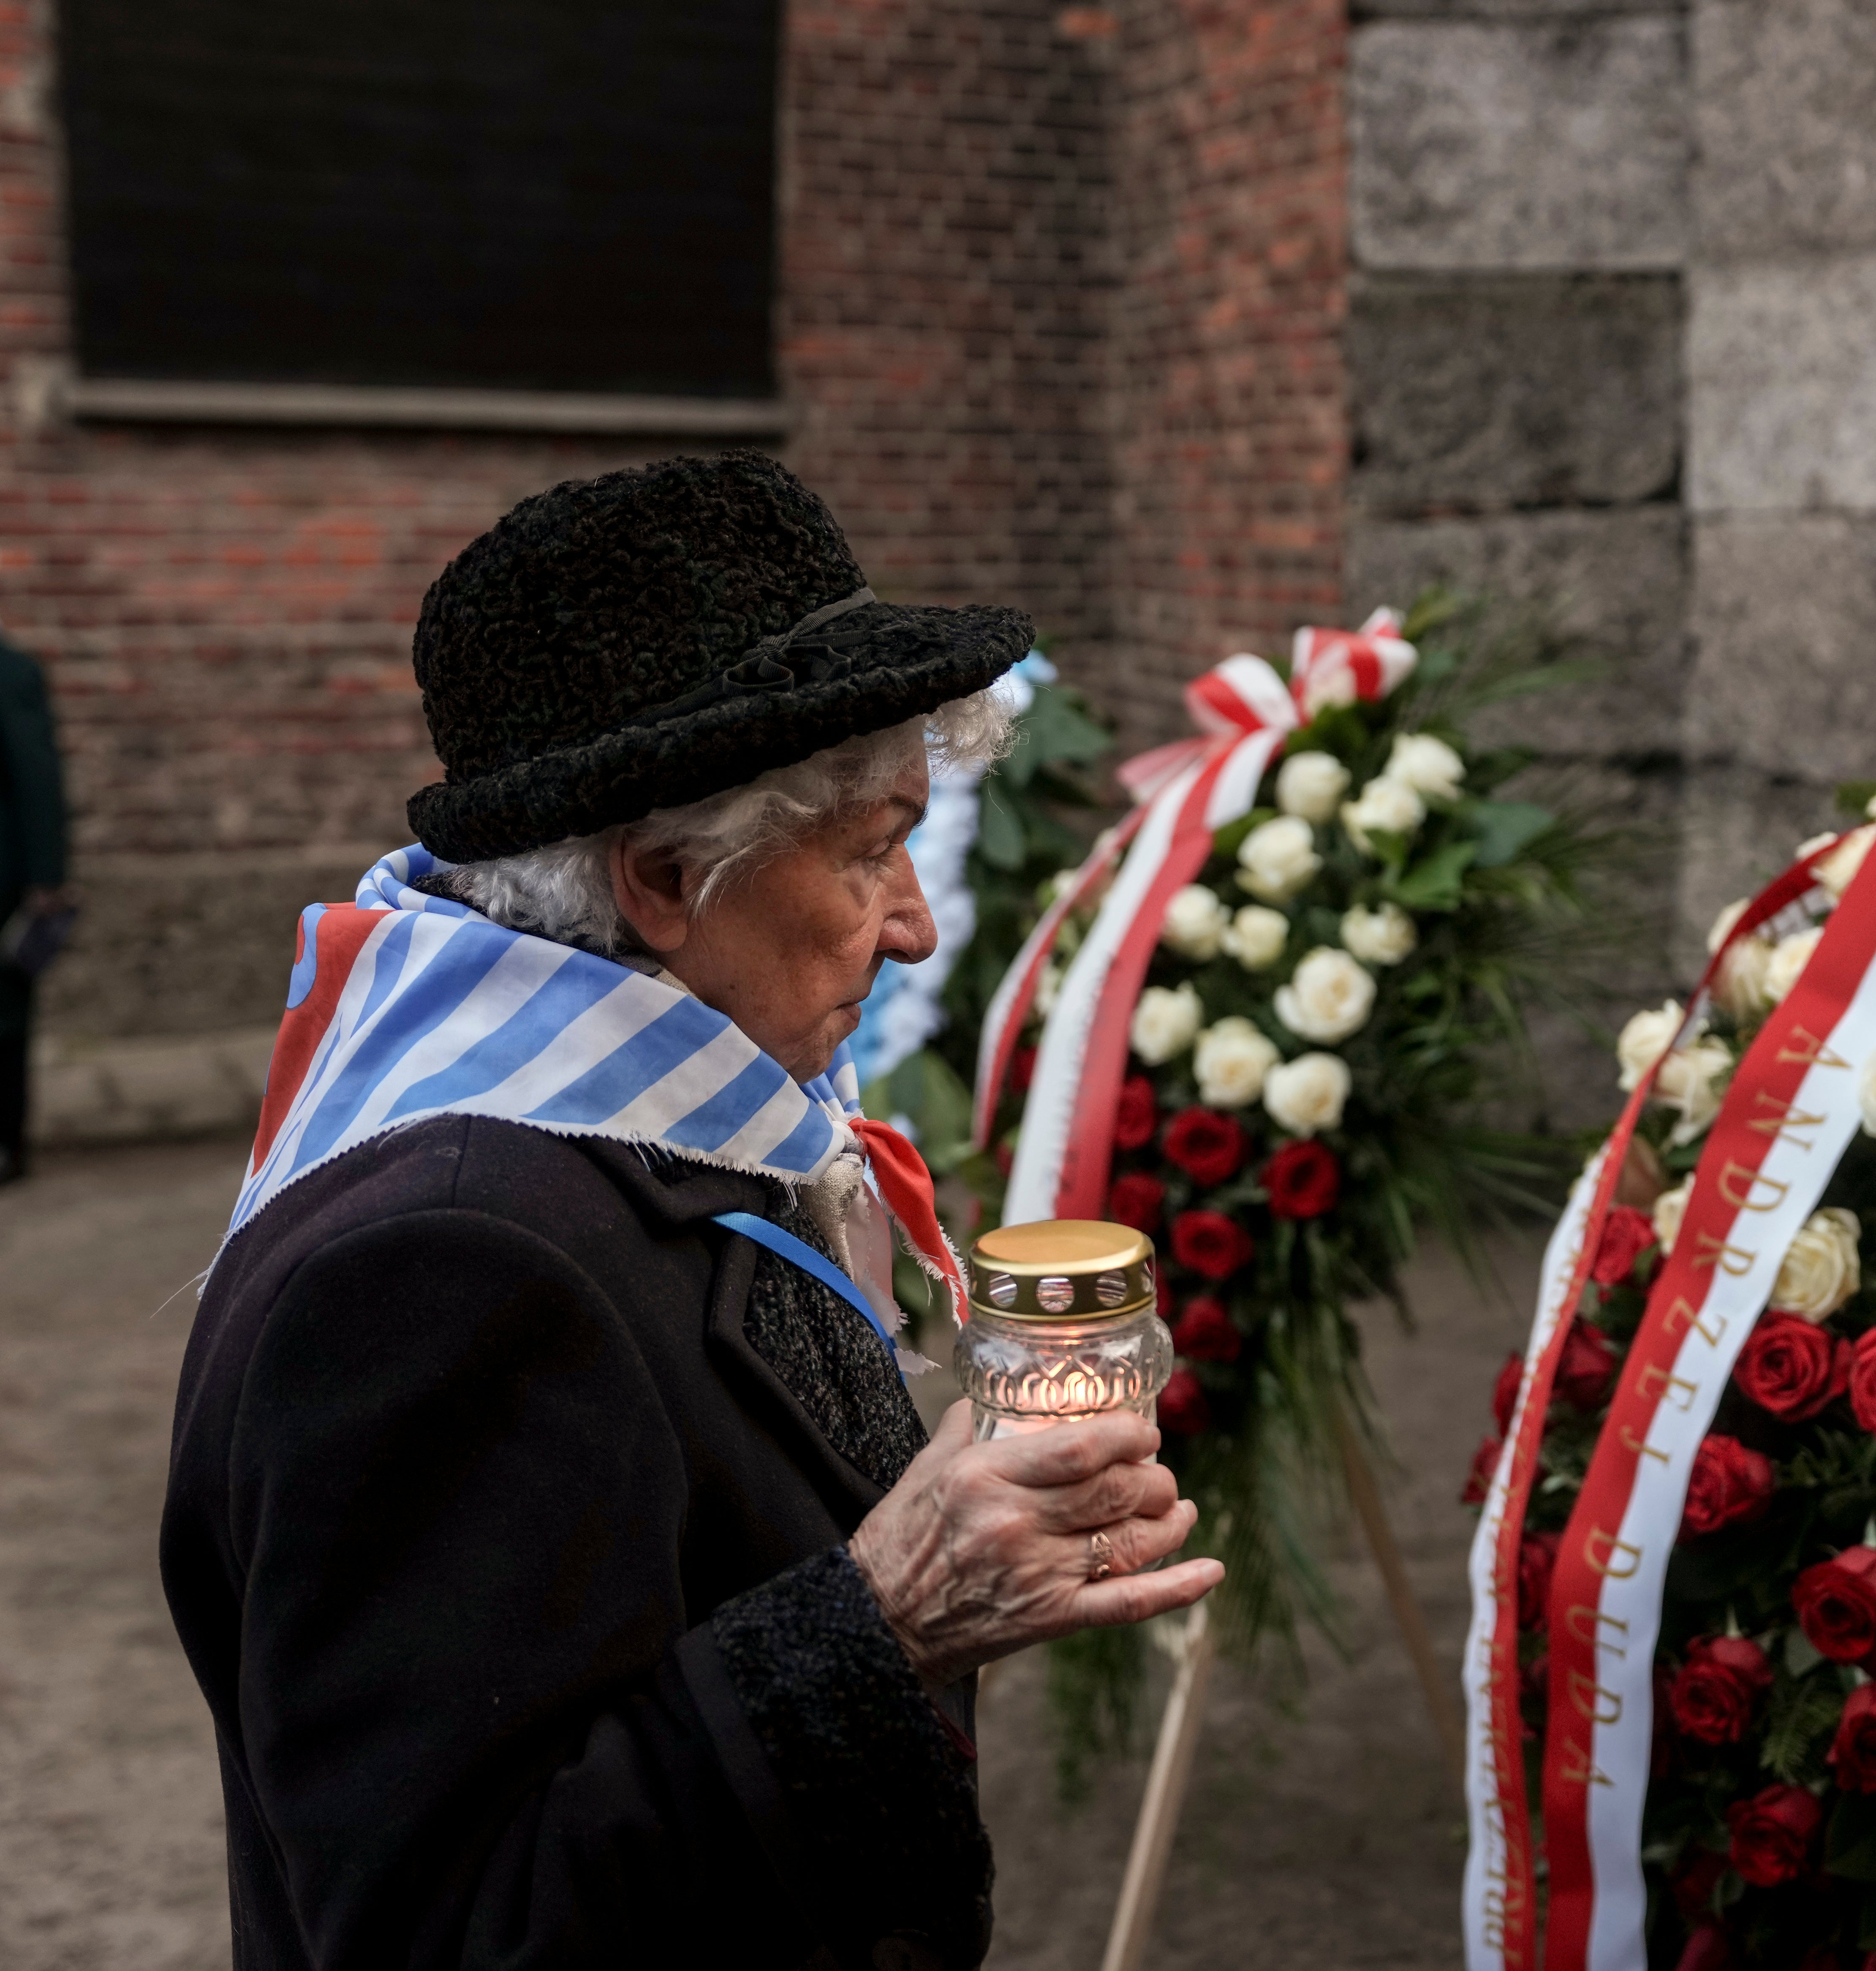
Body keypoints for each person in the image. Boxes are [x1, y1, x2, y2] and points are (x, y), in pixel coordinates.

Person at [161, 453, 1222, 1971]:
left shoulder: (637, 1113)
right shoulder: (446, 1266)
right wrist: (887, 1618)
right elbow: (446, 1931)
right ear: (663, 877)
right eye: (871, 852)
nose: (916, 925)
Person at [1, 629, 71, 1183]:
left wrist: (47, 875)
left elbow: (35, 773)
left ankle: (6, 1140)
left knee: (5, 1013)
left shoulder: (11, 672)